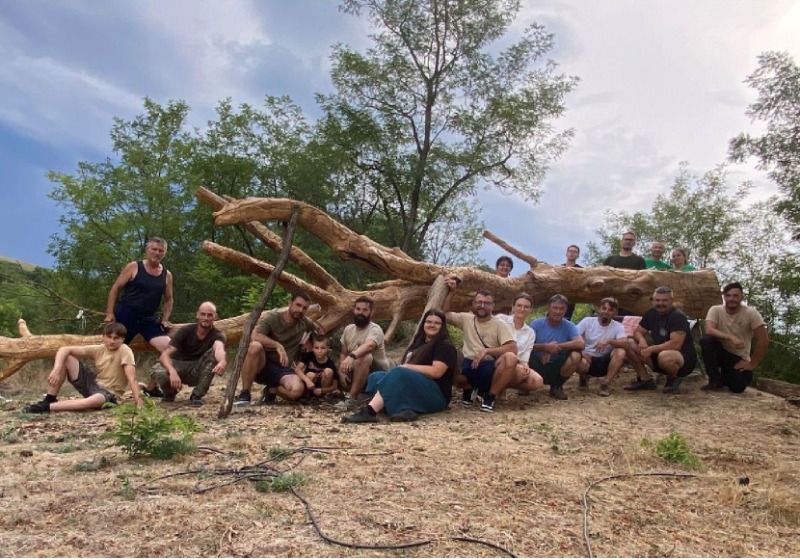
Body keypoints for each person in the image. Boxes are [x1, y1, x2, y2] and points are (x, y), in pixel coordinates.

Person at [342, 309, 458, 423]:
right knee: (375, 377)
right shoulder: (418, 343)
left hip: (436, 395)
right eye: (429, 322)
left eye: (437, 323)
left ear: (442, 326)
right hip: (414, 390)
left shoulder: (444, 345)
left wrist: (406, 367)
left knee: (398, 372)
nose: (432, 325)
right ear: (423, 324)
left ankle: (370, 411)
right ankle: (406, 410)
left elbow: (436, 372)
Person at [105, 237, 174, 398]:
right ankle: (107, 390)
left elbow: (169, 299)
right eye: (154, 249)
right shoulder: (134, 267)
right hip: (126, 314)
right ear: (147, 250)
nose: (157, 253)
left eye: (160, 251)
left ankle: (151, 387)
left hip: (148, 319)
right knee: (114, 352)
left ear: (164, 253)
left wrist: (165, 319)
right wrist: (110, 313)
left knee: (170, 348)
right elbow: (115, 288)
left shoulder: (166, 275)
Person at [23, 323, 143, 413]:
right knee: (67, 357)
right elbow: (64, 349)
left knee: (96, 400)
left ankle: (45, 408)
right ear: (104, 337)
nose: (112, 341)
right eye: (109, 337)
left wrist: (139, 402)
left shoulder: (125, 350)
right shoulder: (100, 348)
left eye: (116, 338)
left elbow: (131, 377)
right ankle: (50, 398)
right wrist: (56, 369)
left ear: (122, 339)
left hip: (109, 394)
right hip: (94, 383)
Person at [443, 278, 518, 412]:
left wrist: (487, 351)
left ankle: (490, 396)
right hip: (468, 364)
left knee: (511, 358)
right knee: (447, 358)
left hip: (490, 366)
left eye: (486, 303)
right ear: (474, 303)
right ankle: (469, 388)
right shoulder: (466, 319)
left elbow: (512, 348)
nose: (482, 306)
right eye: (479, 302)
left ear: (492, 306)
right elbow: (444, 313)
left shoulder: (499, 324)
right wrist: (452, 292)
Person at [234, 291, 319, 405]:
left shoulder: (305, 322)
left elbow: (319, 331)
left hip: (282, 369)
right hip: (261, 364)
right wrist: (277, 345)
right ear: (290, 303)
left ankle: (271, 390)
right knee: (255, 346)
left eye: (304, 308)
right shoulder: (273, 318)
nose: (300, 310)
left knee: (296, 391)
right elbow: (255, 335)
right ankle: (245, 393)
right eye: (298, 305)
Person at [148, 301, 227, 406]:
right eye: (203, 314)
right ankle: (170, 393)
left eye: (209, 315)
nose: (206, 318)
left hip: (197, 369)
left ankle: (197, 395)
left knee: (213, 355)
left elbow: (219, 349)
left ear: (215, 317)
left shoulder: (218, 334)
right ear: (197, 314)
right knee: (157, 370)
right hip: (178, 366)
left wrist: (222, 361)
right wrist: (172, 371)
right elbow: (164, 355)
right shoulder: (185, 330)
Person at [625, 286, 698, 394]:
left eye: (664, 300)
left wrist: (650, 350)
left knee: (665, 356)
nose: (660, 303)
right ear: (653, 301)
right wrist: (641, 340)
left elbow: (675, 344)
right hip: (659, 355)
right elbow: (637, 332)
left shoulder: (677, 316)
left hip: (682, 360)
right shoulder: (651, 313)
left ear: (672, 301)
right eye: (657, 300)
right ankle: (645, 380)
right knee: (629, 343)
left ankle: (673, 379)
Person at [700, 282, 769, 393]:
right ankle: (714, 380)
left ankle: (726, 377)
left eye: (735, 295)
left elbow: (763, 340)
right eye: (728, 295)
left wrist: (752, 363)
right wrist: (731, 337)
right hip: (720, 351)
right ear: (724, 297)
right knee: (707, 341)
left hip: (738, 356)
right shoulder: (715, 310)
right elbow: (709, 329)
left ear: (742, 297)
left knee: (737, 387)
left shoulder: (751, 313)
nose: (731, 298)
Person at [337, 297, 392, 409]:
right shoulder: (348, 329)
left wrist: (352, 356)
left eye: (365, 310)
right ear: (354, 310)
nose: (360, 313)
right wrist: (341, 372)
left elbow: (369, 346)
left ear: (371, 312)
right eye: (358, 309)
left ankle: (351, 399)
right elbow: (343, 353)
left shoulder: (375, 329)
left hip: (378, 374)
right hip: (356, 371)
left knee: (364, 357)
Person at [528, 294, 584, 400]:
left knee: (576, 355)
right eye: (555, 308)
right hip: (537, 362)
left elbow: (580, 343)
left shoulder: (569, 326)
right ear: (548, 308)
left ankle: (557, 386)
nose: (558, 312)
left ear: (566, 310)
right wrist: (545, 347)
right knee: (526, 353)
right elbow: (526, 344)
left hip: (557, 363)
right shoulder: (536, 324)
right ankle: (526, 384)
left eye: (561, 309)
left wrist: (557, 346)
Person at [576, 297, 628, 397]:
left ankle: (605, 383)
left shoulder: (618, 326)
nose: (606, 312)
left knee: (621, 351)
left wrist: (608, 341)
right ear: (599, 309)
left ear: (615, 313)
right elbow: (573, 337)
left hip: (606, 361)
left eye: (610, 310)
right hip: (587, 358)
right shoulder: (587, 321)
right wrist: (582, 352)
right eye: (604, 308)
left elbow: (625, 343)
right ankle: (583, 377)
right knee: (576, 356)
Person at [496, 293, 545, 398]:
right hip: (496, 361)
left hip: (516, 364)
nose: (522, 309)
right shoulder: (501, 320)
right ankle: (494, 391)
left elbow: (525, 356)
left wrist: (525, 365)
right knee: (515, 366)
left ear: (531, 310)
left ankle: (502, 386)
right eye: (519, 305)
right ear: (513, 307)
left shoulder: (530, 332)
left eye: (526, 307)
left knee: (537, 381)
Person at [561, 244, 583, 321]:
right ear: (566, 254)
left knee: (565, 320)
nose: (572, 253)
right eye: (570, 251)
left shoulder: (581, 270)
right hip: (556, 298)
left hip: (570, 301)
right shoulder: (559, 268)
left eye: (575, 252)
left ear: (578, 256)